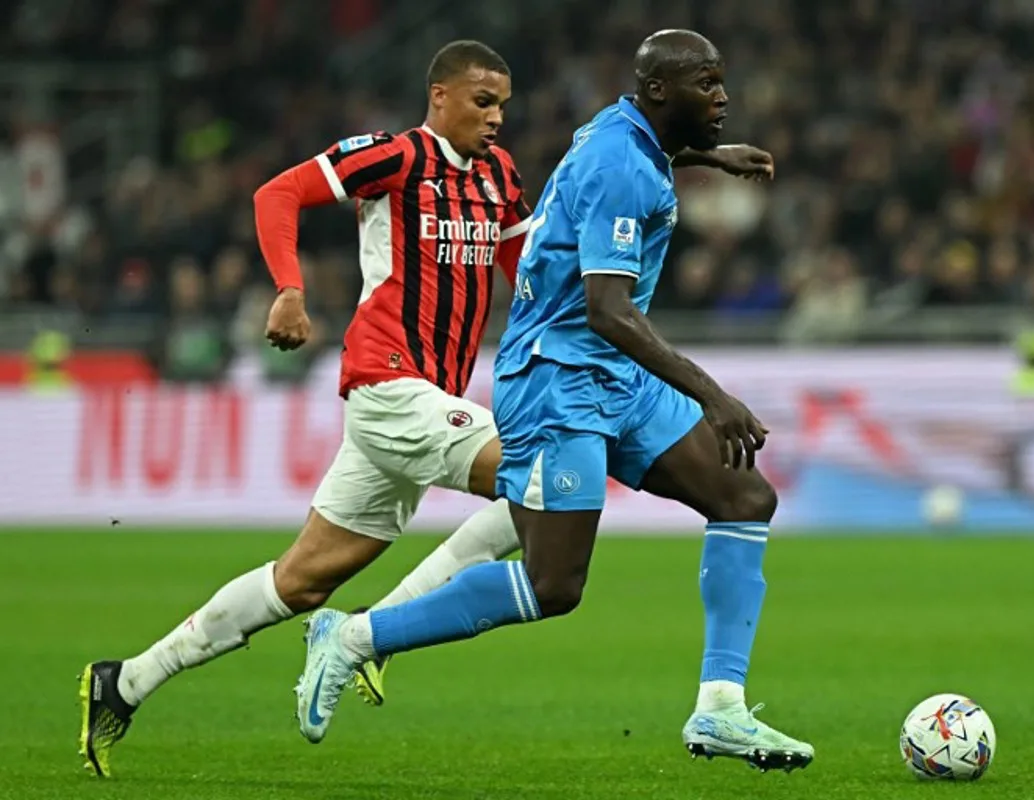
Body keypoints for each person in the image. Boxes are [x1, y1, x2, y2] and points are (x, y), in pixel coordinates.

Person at [78, 38, 774, 778]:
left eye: (504, 103)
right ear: (439, 96)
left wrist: (688, 162)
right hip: (388, 386)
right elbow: (276, 194)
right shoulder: (393, 158)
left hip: (433, 397)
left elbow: (539, 255)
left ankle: (126, 679)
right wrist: (289, 286)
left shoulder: (498, 179)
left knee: (302, 580)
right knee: (546, 474)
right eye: (482, 101)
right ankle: (368, 637)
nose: (497, 117)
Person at [294, 30, 814, 773]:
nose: (723, 97)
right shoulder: (622, 170)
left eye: (722, 81)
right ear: (663, 92)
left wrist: (705, 155)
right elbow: (608, 308)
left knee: (743, 496)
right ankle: (351, 638)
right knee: (554, 585)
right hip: (556, 376)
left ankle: (721, 710)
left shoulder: (623, 127)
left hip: (610, 371)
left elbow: (621, 148)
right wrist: (713, 395)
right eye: (707, 84)